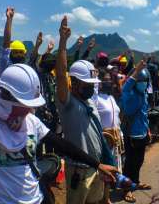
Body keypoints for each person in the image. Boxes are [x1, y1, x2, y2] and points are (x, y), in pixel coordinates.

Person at [0, 23, 118, 204]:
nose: (31, 110)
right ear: (9, 97)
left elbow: (62, 145)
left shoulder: (31, 121)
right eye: (26, 104)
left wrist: (97, 164)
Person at [56, 16, 116, 204]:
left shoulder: (90, 102)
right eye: (87, 84)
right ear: (74, 83)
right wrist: (63, 43)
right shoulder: (68, 104)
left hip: (97, 167)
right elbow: (60, 73)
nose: (91, 88)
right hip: (78, 171)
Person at [121, 60, 152, 203]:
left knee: (139, 160)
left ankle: (136, 182)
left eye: (146, 81)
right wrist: (136, 73)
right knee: (130, 164)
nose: (144, 83)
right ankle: (126, 189)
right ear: (135, 82)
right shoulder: (130, 94)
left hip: (142, 134)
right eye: (141, 81)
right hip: (131, 135)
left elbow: (144, 115)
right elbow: (125, 88)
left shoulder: (143, 94)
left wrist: (148, 130)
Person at [28, 32, 62, 155]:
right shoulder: (37, 74)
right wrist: (37, 46)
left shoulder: (50, 76)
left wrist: (48, 51)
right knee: (38, 147)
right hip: (40, 117)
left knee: (50, 148)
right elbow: (32, 61)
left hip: (52, 117)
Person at [96, 69, 124, 204]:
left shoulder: (111, 98)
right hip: (104, 139)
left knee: (111, 168)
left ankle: (106, 196)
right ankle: (102, 198)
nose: (108, 82)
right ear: (99, 83)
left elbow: (116, 117)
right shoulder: (95, 99)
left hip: (115, 138)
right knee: (104, 169)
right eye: (105, 80)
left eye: (109, 80)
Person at [0, 7, 28, 75]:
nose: (18, 55)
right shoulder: (6, 64)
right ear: (10, 53)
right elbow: (6, 43)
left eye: (21, 52)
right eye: (15, 52)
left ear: (24, 54)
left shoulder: (25, 69)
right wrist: (9, 18)